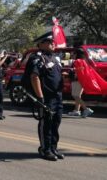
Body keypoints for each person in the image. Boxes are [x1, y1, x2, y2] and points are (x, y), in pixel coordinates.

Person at [24, 32, 64, 161]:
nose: (53, 43)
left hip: (57, 96)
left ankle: (53, 148)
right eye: (49, 41)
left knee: (55, 123)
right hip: (46, 97)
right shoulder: (37, 58)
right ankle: (45, 149)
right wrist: (40, 97)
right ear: (41, 44)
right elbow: (34, 76)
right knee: (46, 123)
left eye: (53, 41)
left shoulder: (55, 57)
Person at [68, 49, 94, 117]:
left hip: (77, 80)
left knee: (75, 95)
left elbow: (77, 71)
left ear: (76, 54)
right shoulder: (84, 61)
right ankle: (76, 110)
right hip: (82, 80)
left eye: (73, 53)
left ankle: (86, 109)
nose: (71, 55)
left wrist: (71, 71)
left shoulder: (77, 61)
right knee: (78, 96)